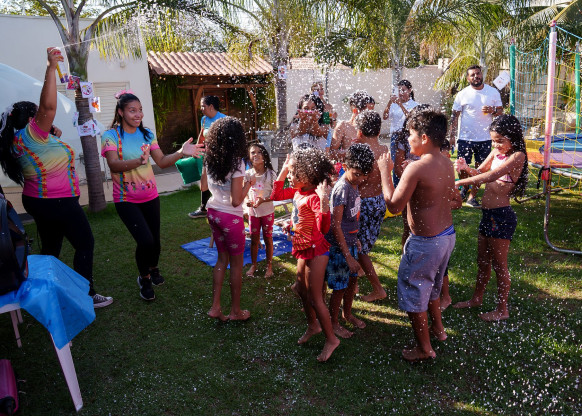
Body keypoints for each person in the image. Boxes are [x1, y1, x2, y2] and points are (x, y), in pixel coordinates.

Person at [0, 48, 112, 308]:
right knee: (85, 243)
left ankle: (45, 294)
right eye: (39, 115)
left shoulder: (20, 140)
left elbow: (45, 154)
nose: (46, 116)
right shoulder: (31, 135)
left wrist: (52, 136)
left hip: (40, 200)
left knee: (51, 248)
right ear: (32, 119)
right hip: (57, 201)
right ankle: (86, 295)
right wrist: (51, 67)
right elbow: (49, 106)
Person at [378, 107, 461, 362]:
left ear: (424, 138)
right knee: (433, 286)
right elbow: (449, 199)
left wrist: (385, 172)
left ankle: (424, 349)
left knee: (414, 292)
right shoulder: (446, 162)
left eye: (411, 135)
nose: (408, 139)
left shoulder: (416, 168)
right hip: (446, 236)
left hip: (426, 243)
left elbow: (394, 206)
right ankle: (438, 330)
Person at [101, 92, 202, 301]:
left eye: (140, 110)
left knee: (155, 242)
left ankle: (154, 268)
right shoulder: (111, 136)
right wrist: (139, 161)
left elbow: (162, 162)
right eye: (132, 110)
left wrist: (181, 152)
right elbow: (113, 164)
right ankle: (144, 278)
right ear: (121, 112)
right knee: (145, 240)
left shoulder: (147, 134)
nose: (138, 114)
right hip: (126, 200)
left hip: (150, 197)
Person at [452, 115, 528, 321]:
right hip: (488, 214)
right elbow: (480, 172)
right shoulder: (496, 152)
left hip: (501, 216)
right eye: (493, 140)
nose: (495, 145)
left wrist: (459, 182)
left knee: (499, 265)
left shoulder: (518, 156)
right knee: (482, 261)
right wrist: (465, 168)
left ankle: (502, 310)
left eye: (500, 141)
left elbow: (490, 177)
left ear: (513, 137)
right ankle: (476, 298)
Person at [271, 147, 339, 362]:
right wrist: (283, 170)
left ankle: (331, 339)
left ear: (308, 175)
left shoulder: (315, 198)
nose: (289, 177)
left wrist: (325, 202)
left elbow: (323, 228)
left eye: (293, 173)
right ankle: (313, 325)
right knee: (300, 289)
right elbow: (275, 195)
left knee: (315, 298)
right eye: (290, 173)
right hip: (303, 247)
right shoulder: (298, 191)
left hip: (316, 251)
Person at [201, 117, 254, 321]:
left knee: (222, 259)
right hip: (230, 217)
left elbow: (203, 187)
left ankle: (215, 307)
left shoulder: (209, 159)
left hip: (213, 213)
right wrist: (248, 184)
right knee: (237, 265)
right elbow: (236, 201)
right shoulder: (237, 163)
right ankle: (235, 311)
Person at [326, 143, 375, 338]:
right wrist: (347, 256)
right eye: (357, 174)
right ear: (345, 167)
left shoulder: (354, 184)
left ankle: (347, 314)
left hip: (351, 242)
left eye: (365, 175)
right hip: (339, 248)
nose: (362, 179)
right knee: (339, 287)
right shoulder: (342, 189)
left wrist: (356, 239)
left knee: (352, 281)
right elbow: (336, 225)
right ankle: (333, 323)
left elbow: (351, 218)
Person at [449, 65, 503, 208]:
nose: (476, 77)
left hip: (485, 138)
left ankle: (472, 197)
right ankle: (464, 188)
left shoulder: (492, 92)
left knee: (481, 169)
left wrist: (493, 110)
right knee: (461, 168)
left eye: (478, 74)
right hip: (465, 138)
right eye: (472, 75)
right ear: (468, 78)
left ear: (481, 75)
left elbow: (500, 111)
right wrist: (452, 136)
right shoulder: (462, 94)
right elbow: (455, 116)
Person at [352, 111, 389, 302]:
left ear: (359, 132)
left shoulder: (360, 151)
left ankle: (377, 289)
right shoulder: (384, 149)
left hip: (363, 204)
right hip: (378, 201)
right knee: (362, 244)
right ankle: (356, 276)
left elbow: (356, 180)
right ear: (379, 130)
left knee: (358, 247)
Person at [188, 95, 226, 219]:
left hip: (221, 158)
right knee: (204, 183)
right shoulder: (204, 119)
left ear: (211, 106)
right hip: (208, 156)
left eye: (203, 106)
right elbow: (202, 135)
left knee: (221, 183)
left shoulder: (223, 119)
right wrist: (196, 149)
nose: (201, 108)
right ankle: (203, 208)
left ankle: (224, 209)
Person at [245, 143, 275, 278]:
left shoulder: (270, 174)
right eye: (253, 152)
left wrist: (263, 200)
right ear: (249, 156)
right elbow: (245, 192)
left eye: (259, 152)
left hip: (267, 212)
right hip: (253, 213)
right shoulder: (248, 174)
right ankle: (254, 264)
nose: (256, 155)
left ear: (264, 156)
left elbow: (275, 195)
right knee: (254, 239)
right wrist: (247, 201)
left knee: (268, 238)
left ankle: (269, 266)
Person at [329, 90, 375, 162]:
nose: (371, 115)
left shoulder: (371, 127)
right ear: (355, 110)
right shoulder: (343, 126)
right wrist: (351, 152)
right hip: (350, 166)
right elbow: (331, 153)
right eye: (367, 112)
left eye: (372, 111)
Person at [383, 79, 418, 168]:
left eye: (403, 90)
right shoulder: (393, 104)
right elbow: (385, 117)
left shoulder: (414, 105)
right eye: (399, 90)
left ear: (410, 90)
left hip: (409, 136)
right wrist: (390, 102)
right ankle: (396, 177)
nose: (401, 93)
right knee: (396, 164)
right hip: (395, 136)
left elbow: (411, 119)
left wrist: (400, 105)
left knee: (409, 162)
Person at [310, 82, 337, 147]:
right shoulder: (311, 105)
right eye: (317, 90)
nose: (320, 91)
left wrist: (334, 118)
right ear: (313, 92)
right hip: (313, 134)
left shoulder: (328, 106)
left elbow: (332, 125)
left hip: (325, 134)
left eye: (321, 89)